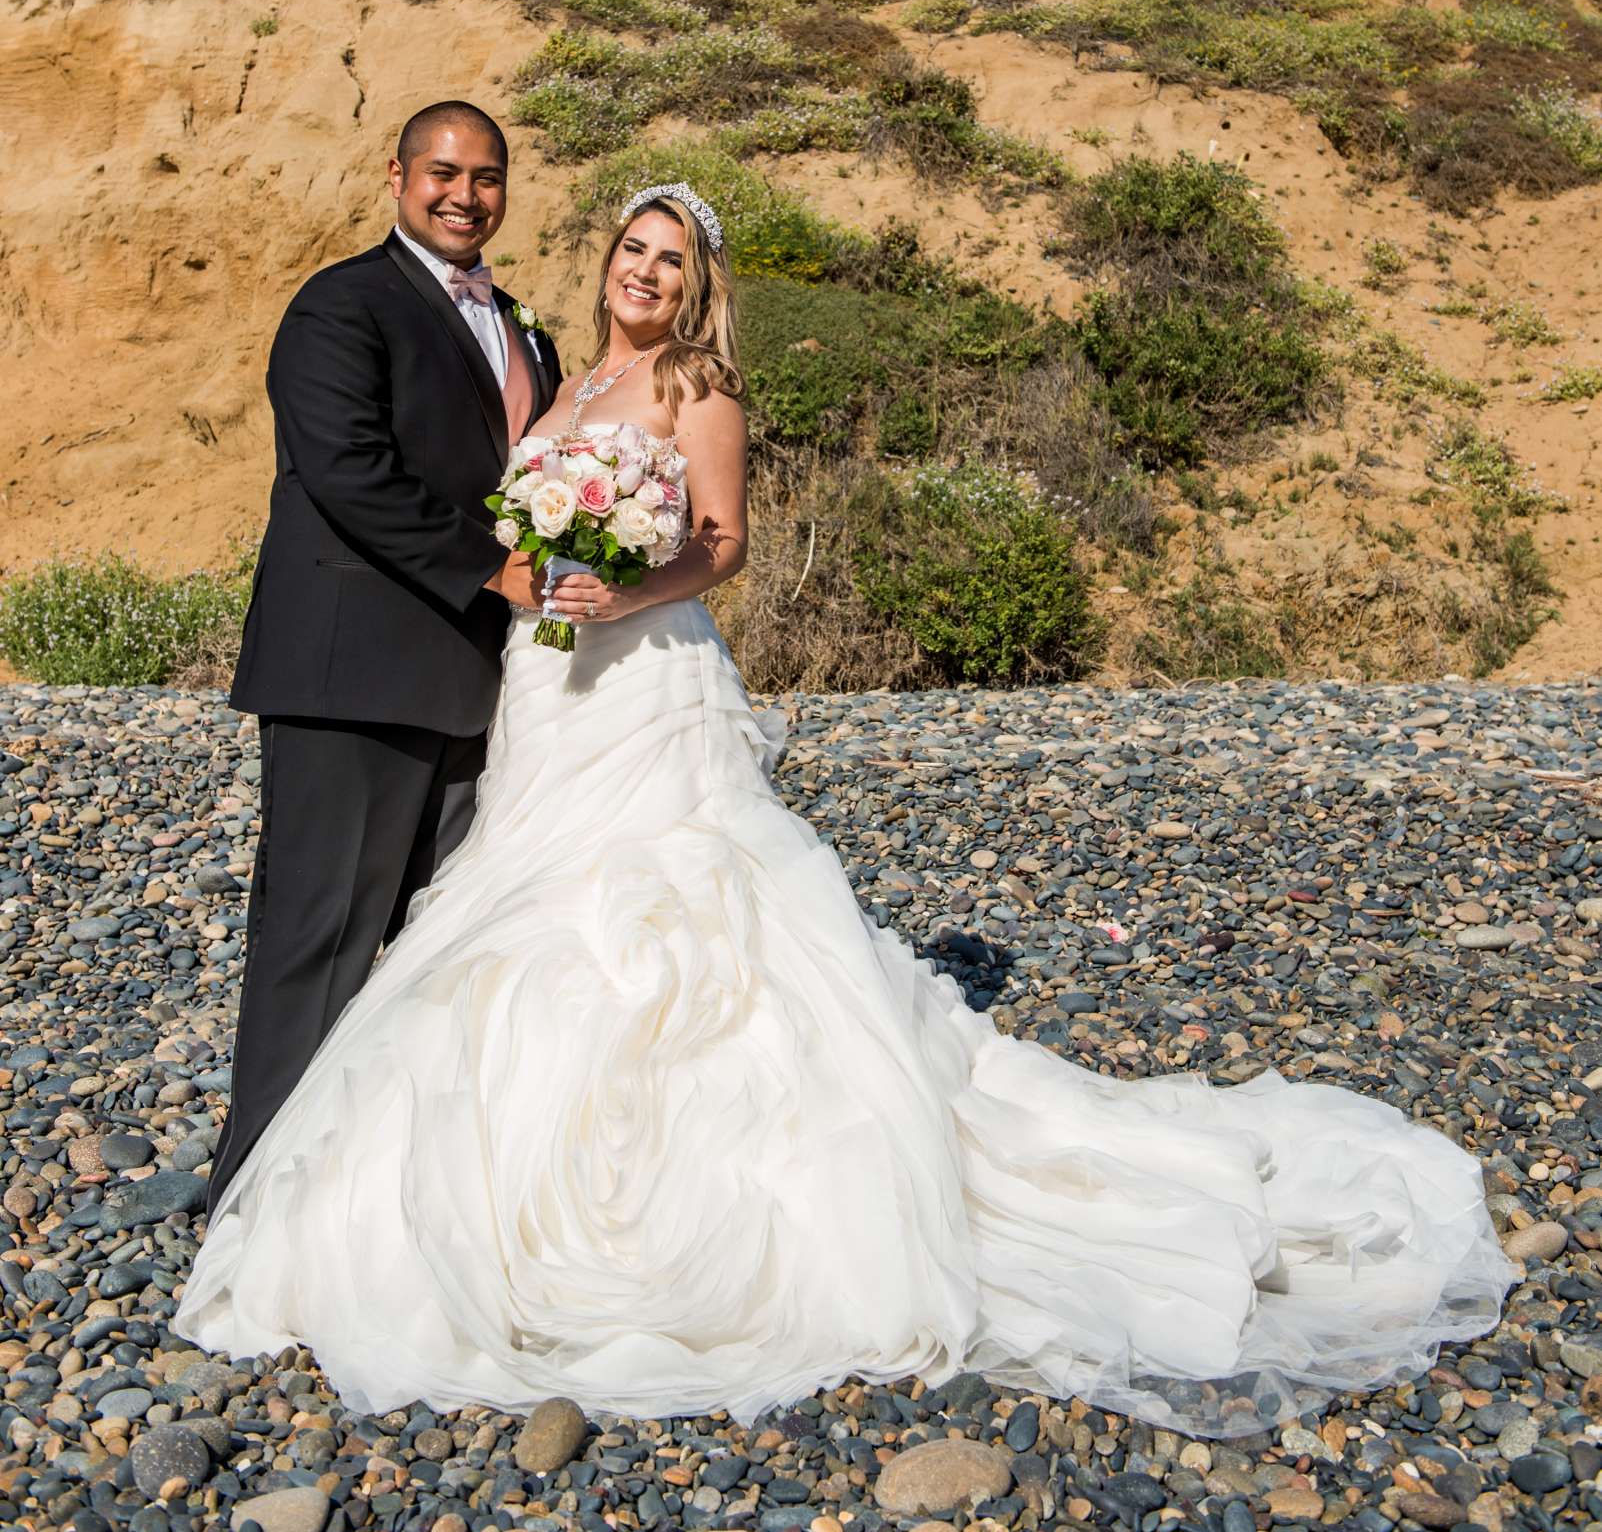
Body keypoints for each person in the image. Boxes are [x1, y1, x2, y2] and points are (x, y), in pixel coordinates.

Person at [178, 182, 1512, 1435]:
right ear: (605, 264)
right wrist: (546, 572)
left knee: (671, 916)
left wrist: (612, 591)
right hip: (547, 696)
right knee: (508, 906)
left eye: (670, 261)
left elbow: (720, 542)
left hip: (642, 679)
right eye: (632, 251)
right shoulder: (560, 370)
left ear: (695, 286)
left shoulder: (699, 385)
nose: (644, 275)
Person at [205, 101, 560, 1212]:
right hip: (354, 675)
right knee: (319, 946)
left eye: (488, 177)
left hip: (472, 683)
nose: (465, 195)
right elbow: (347, 469)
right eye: (444, 173)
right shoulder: (340, 305)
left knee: (424, 950)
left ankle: (369, 1208)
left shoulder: (525, 327)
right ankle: (255, 1207)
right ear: (396, 174)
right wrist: (492, 571)